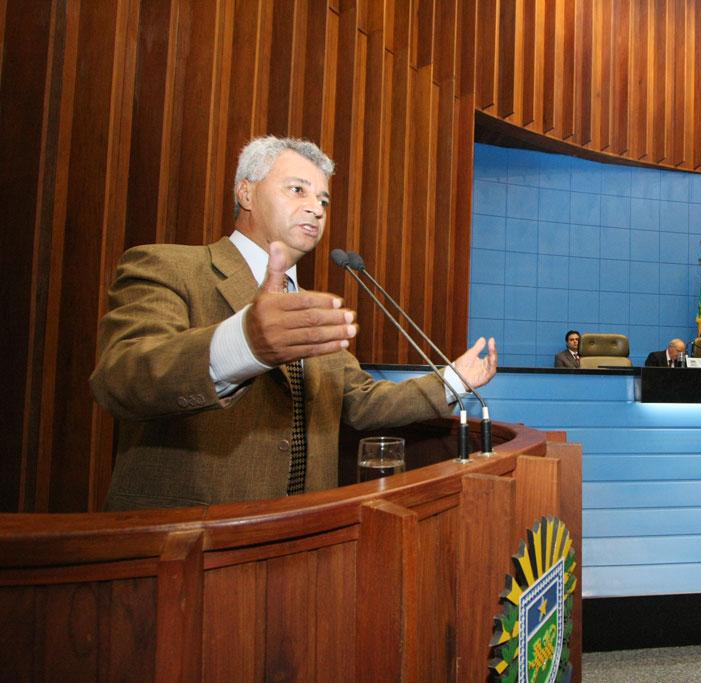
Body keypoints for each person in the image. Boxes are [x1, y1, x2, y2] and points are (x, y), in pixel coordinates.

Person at [90, 136, 498, 510]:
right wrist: (243, 344)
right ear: (246, 192)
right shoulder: (168, 267)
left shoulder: (310, 313)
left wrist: (454, 380)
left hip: (306, 538)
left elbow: (360, 402)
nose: (316, 208)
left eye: (323, 199)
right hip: (193, 541)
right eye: (297, 190)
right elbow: (122, 377)